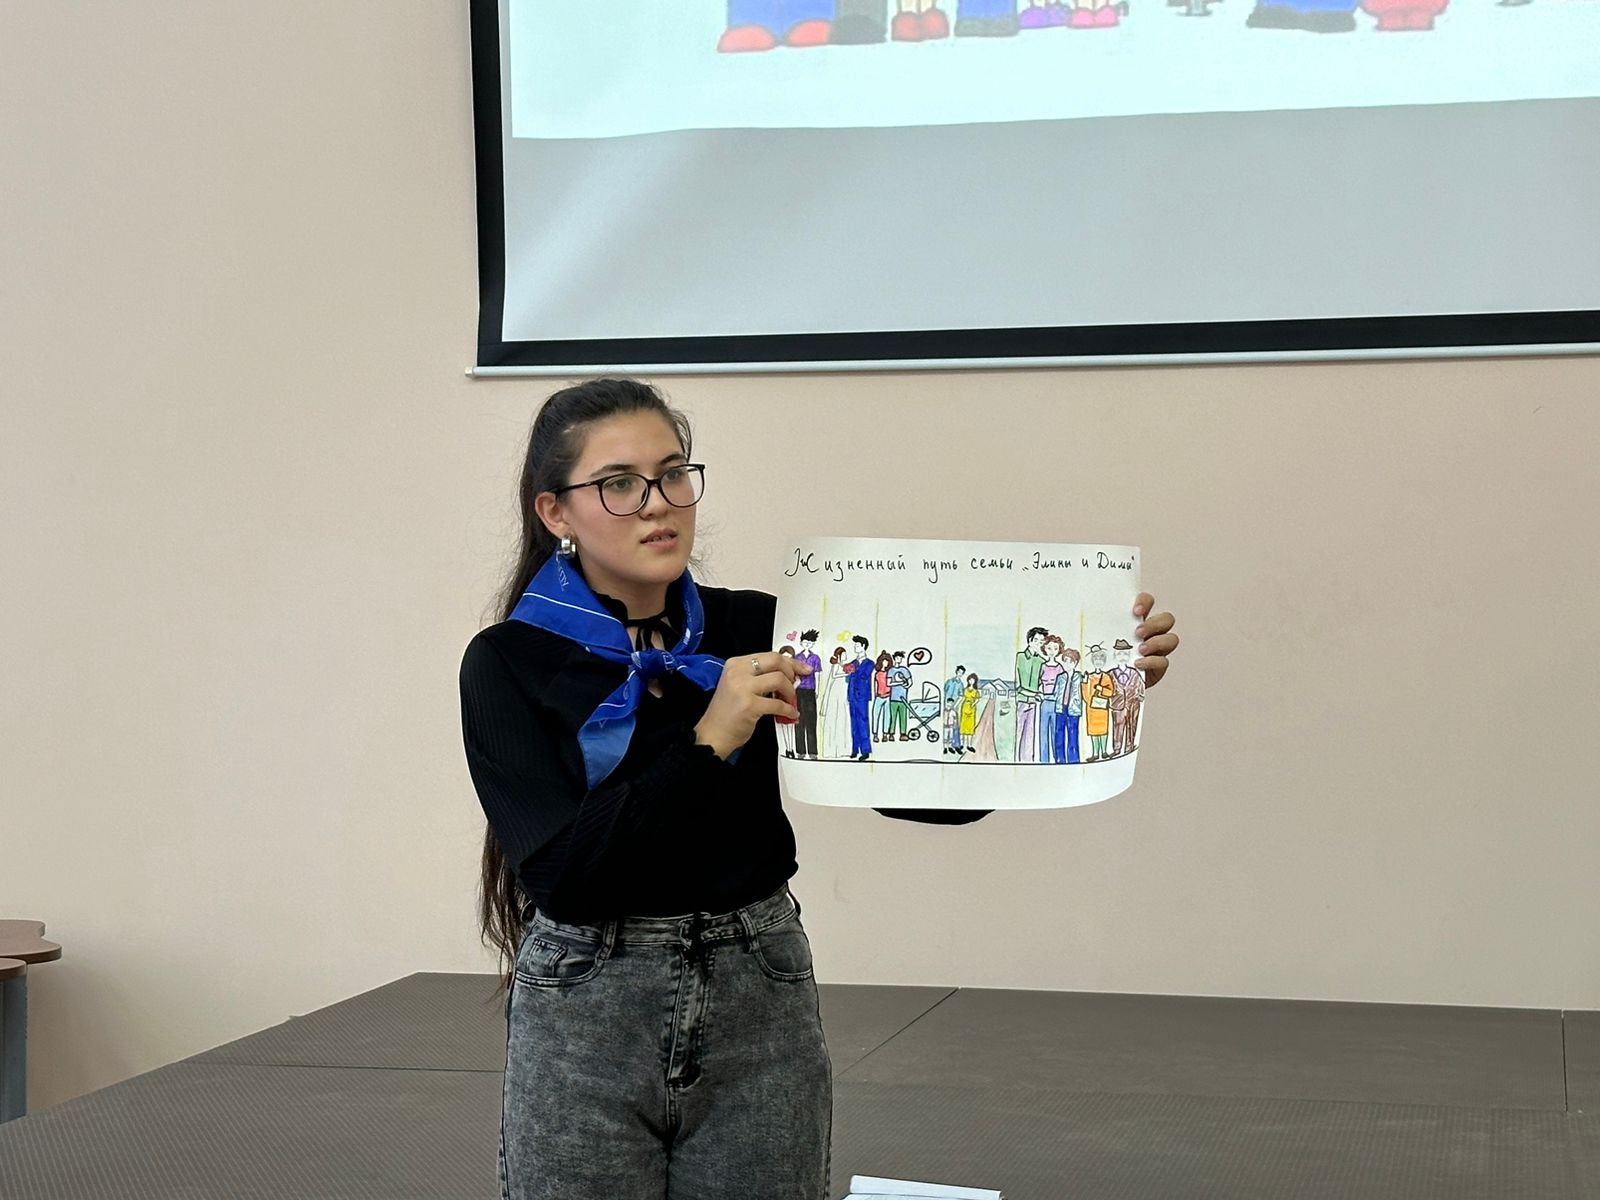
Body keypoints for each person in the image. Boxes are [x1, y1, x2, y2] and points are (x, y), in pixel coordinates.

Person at [459, 378, 1181, 1199]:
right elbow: (564, 879)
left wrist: (1096, 689)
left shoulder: (760, 627)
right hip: (587, 999)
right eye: (619, 484)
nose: (657, 503)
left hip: (756, 985)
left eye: (673, 474)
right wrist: (709, 740)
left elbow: (911, 786)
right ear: (556, 511)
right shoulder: (506, 662)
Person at [794, 630, 822, 759]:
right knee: (799, 720)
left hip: (810, 691)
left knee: (811, 721)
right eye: (805, 642)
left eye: (810, 643)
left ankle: (813, 752)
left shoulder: (815, 658)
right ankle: (800, 751)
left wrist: (818, 690)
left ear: (813, 644)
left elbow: (818, 675)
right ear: (801, 642)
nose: (807, 644)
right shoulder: (797, 658)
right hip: (798, 690)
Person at [820, 645, 851, 759]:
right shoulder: (836, 665)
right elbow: (834, 675)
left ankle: (842, 749)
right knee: (834, 716)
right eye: (843, 654)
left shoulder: (845, 666)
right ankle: (831, 750)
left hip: (842, 692)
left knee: (842, 718)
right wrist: (846, 674)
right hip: (835, 692)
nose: (845, 656)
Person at [777, 644, 800, 757]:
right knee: (783, 725)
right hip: (780, 697)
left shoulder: (793, 670)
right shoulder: (778, 671)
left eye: (789, 657)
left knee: (790, 725)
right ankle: (787, 748)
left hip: (790, 697)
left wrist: (791, 689)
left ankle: (791, 748)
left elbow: (798, 681)